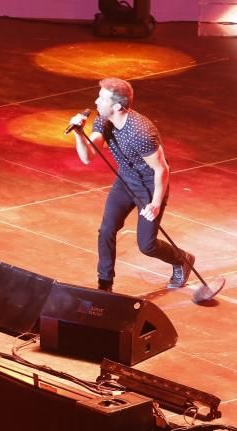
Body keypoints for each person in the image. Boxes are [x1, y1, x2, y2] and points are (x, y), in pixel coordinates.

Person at [68, 77, 194, 293]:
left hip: (149, 185)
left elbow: (161, 169)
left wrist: (155, 203)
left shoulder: (141, 132)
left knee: (147, 245)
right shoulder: (103, 120)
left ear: (117, 106)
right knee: (106, 230)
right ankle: (104, 285)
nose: (96, 102)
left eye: (102, 98)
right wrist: (80, 134)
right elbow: (88, 157)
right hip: (125, 179)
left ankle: (182, 259)